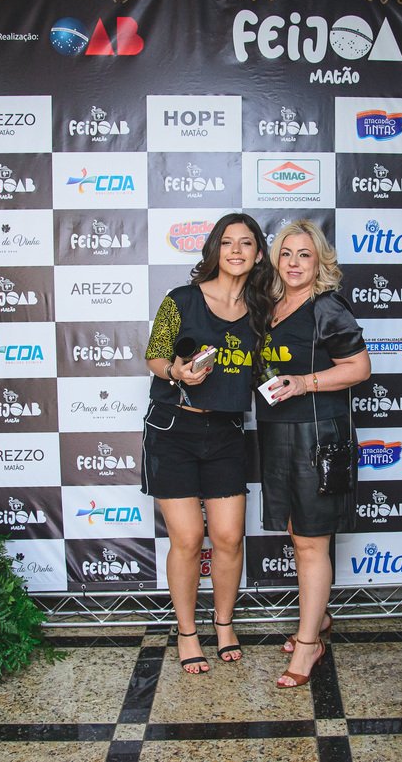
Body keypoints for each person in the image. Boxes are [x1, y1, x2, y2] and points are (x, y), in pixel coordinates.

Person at [142, 213, 273, 674]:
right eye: (227, 242)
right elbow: (154, 356)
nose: (236, 250)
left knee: (228, 538)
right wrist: (176, 372)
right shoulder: (181, 299)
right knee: (188, 538)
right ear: (214, 249)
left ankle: (223, 623)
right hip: (173, 430)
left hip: (226, 433)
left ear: (259, 253)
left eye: (246, 243)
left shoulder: (262, 311)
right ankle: (186, 632)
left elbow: (269, 368)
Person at [257, 219, 371, 689]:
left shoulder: (327, 306)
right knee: (296, 531)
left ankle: (309, 644)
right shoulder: (270, 305)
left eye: (304, 254)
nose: (294, 263)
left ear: (319, 261)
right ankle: (318, 617)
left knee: (310, 541)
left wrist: (306, 382)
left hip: (318, 436)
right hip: (276, 431)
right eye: (286, 254)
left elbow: (359, 368)